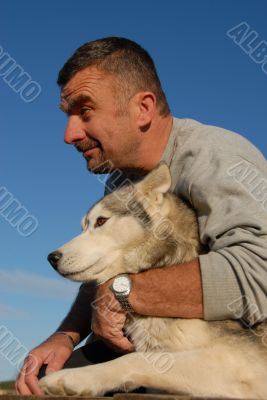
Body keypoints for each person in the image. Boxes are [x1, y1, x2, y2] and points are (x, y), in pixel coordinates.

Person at [16, 37, 267, 396]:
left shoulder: (217, 158)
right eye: (68, 117)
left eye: (85, 112)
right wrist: (66, 335)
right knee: (51, 381)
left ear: (143, 109)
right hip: (152, 337)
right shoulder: (122, 179)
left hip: (236, 352)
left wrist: (122, 292)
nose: (69, 134)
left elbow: (259, 273)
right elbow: (108, 262)